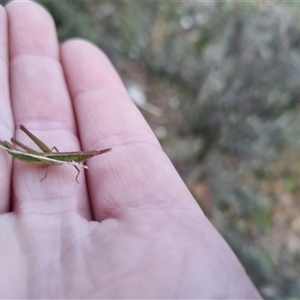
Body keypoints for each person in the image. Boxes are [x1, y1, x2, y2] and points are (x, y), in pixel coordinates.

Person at [0, 1, 261, 298]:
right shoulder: (71, 162)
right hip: (37, 156)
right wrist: (53, 165)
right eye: (84, 159)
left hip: (48, 158)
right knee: (38, 150)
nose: (83, 161)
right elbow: (66, 164)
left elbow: (76, 165)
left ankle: (13, 146)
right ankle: (12, 146)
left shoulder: (78, 162)